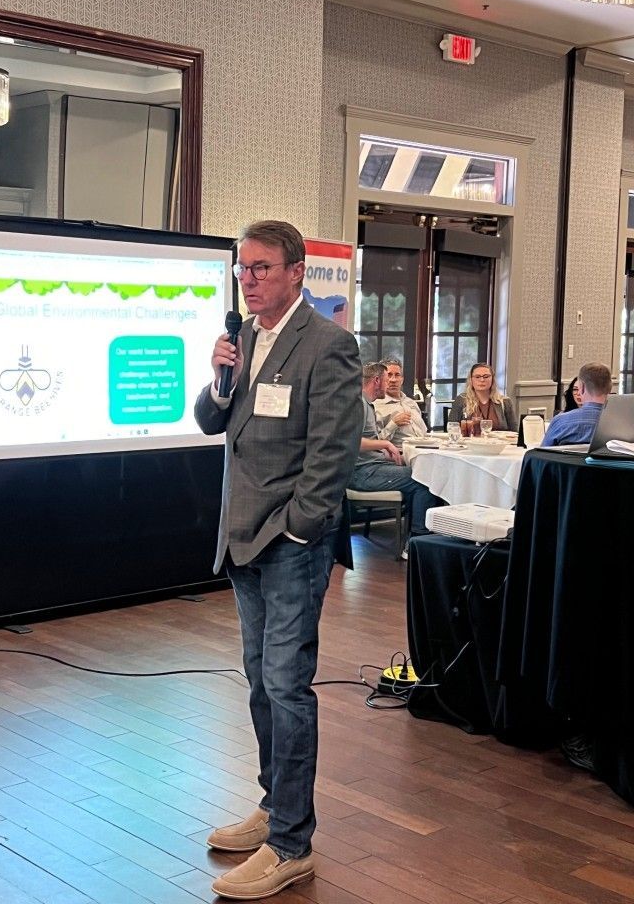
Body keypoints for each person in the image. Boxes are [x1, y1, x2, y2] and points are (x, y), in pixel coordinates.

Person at [194, 220, 361, 901]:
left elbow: (332, 450)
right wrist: (220, 378)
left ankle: (292, 842)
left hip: (289, 544)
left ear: (297, 272)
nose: (248, 278)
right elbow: (212, 421)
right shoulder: (246, 341)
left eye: (261, 267)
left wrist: (299, 529)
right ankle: (274, 805)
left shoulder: (329, 345)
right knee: (262, 682)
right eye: (243, 269)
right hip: (241, 537)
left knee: (288, 686)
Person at [349, 361, 443, 552]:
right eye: (386, 379)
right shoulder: (359, 404)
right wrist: (385, 444)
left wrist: (384, 453)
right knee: (423, 479)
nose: (390, 383)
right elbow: (352, 442)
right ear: (376, 381)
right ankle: (418, 543)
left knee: (427, 474)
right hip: (361, 473)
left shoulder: (367, 403)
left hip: (372, 466)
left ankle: (422, 536)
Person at [541, 362, 611, 447]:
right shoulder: (625, 424)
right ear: (609, 388)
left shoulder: (560, 422)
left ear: (582, 389)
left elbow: (541, 455)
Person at [374, 358, 429, 448]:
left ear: (402, 379)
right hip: (398, 456)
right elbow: (373, 444)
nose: (393, 380)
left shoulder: (411, 403)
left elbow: (424, 433)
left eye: (397, 375)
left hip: (423, 451)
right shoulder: (376, 406)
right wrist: (393, 424)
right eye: (389, 375)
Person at [449, 363, 517, 431]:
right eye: (477, 377)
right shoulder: (461, 400)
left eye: (486, 376)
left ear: (492, 379)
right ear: (471, 380)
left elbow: (514, 431)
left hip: (500, 441)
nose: (482, 380)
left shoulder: (505, 402)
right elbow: (452, 427)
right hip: (470, 441)